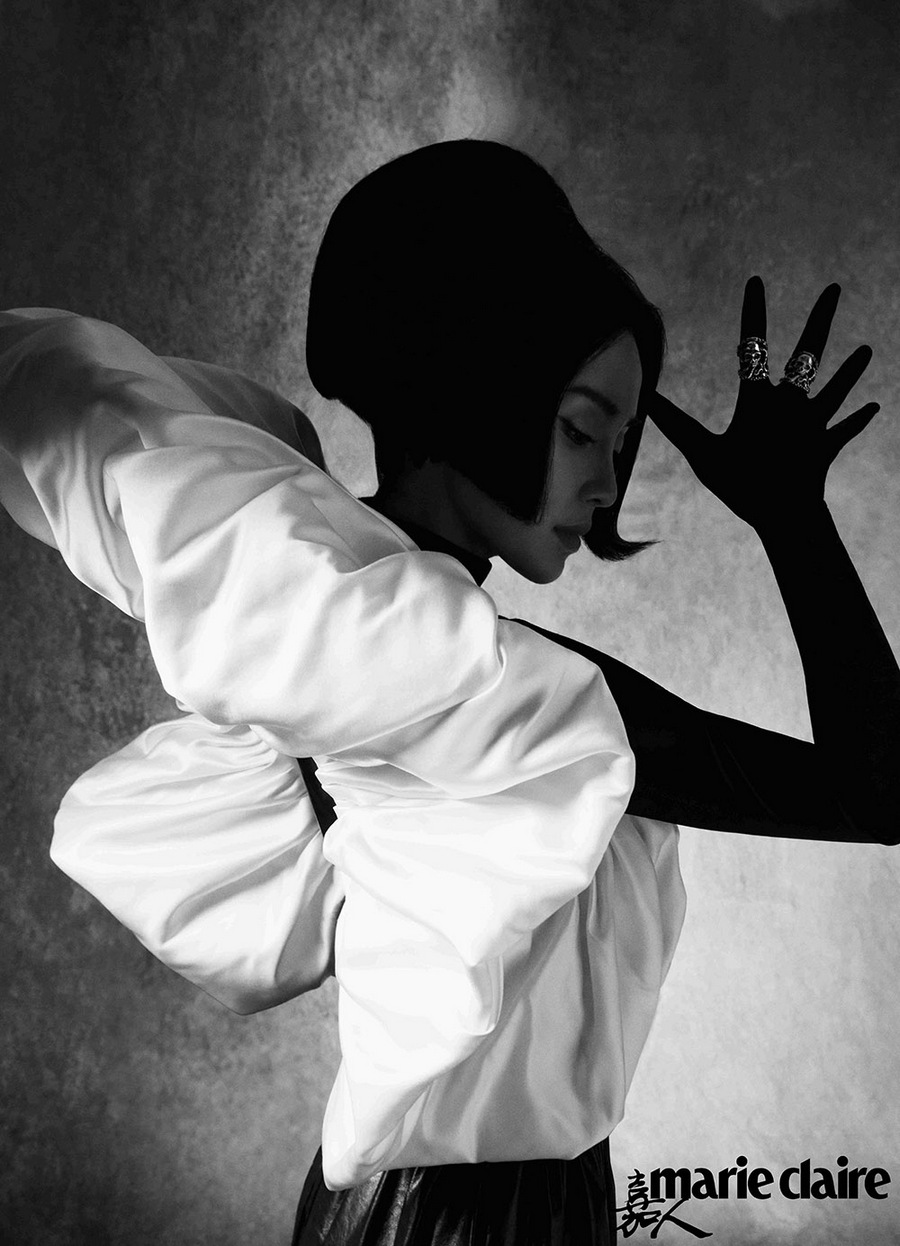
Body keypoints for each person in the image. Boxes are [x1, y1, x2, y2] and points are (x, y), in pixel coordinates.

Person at [0, 140, 897, 1246]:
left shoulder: (373, 639)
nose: (606, 482)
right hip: (462, 1220)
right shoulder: (461, 674)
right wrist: (792, 518)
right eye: (581, 428)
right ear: (475, 387)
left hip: (451, 1207)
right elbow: (882, 790)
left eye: (620, 441)